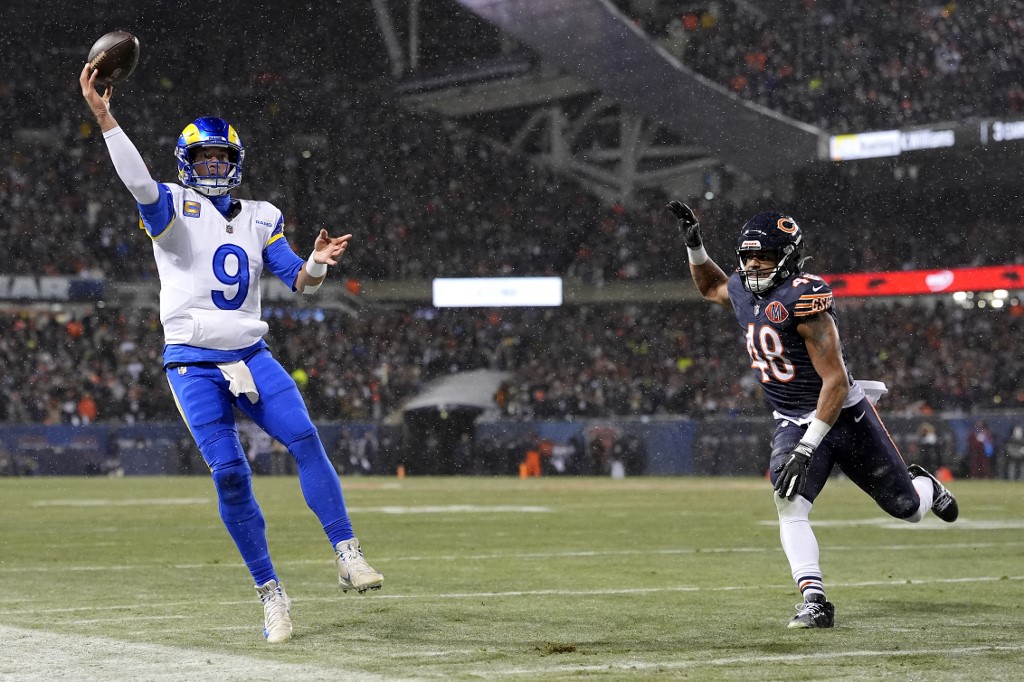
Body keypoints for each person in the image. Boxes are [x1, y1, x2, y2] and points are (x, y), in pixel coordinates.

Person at [80, 64, 383, 643]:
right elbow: (139, 182)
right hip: (193, 364)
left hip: (251, 352)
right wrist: (103, 115)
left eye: (221, 159)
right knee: (231, 476)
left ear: (234, 162)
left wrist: (318, 261)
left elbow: (300, 280)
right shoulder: (169, 206)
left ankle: (347, 553)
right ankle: (271, 593)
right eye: (205, 159)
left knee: (305, 438)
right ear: (187, 165)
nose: (214, 167)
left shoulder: (261, 216)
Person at [668, 200, 958, 629]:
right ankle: (815, 600)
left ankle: (925, 487)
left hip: (844, 415)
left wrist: (808, 447)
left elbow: (836, 383)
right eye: (748, 257)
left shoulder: (804, 298)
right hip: (791, 419)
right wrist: (695, 246)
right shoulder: (747, 291)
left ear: (787, 258)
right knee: (789, 506)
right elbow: (712, 287)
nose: (753, 265)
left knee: (909, 510)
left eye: (763, 256)